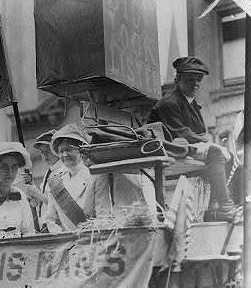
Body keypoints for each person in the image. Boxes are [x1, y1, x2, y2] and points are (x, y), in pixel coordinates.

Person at [147, 56, 238, 222]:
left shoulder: (191, 103)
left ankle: (214, 210)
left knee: (228, 155)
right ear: (177, 79)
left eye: (198, 80)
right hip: (165, 150)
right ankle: (225, 206)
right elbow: (181, 133)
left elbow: (200, 132)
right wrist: (208, 142)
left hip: (180, 148)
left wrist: (207, 141)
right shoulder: (169, 103)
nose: (196, 84)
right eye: (190, 80)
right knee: (216, 153)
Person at [43, 124, 156, 232]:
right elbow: (51, 219)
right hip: (65, 245)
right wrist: (60, 236)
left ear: (81, 150)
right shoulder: (55, 181)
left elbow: (103, 215)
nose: (64, 155)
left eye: (69, 149)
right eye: (61, 151)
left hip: (91, 243)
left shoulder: (96, 174)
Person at [0, 142, 36, 236]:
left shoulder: (20, 194)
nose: (10, 172)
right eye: (4, 167)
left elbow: (28, 230)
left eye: (14, 167)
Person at [20, 129, 67, 230]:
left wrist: (37, 193)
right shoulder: (49, 171)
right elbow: (42, 201)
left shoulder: (64, 171)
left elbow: (59, 205)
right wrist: (32, 187)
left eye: (48, 151)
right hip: (46, 226)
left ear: (57, 149)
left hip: (60, 228)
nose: (44, 155)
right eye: (42, 152)